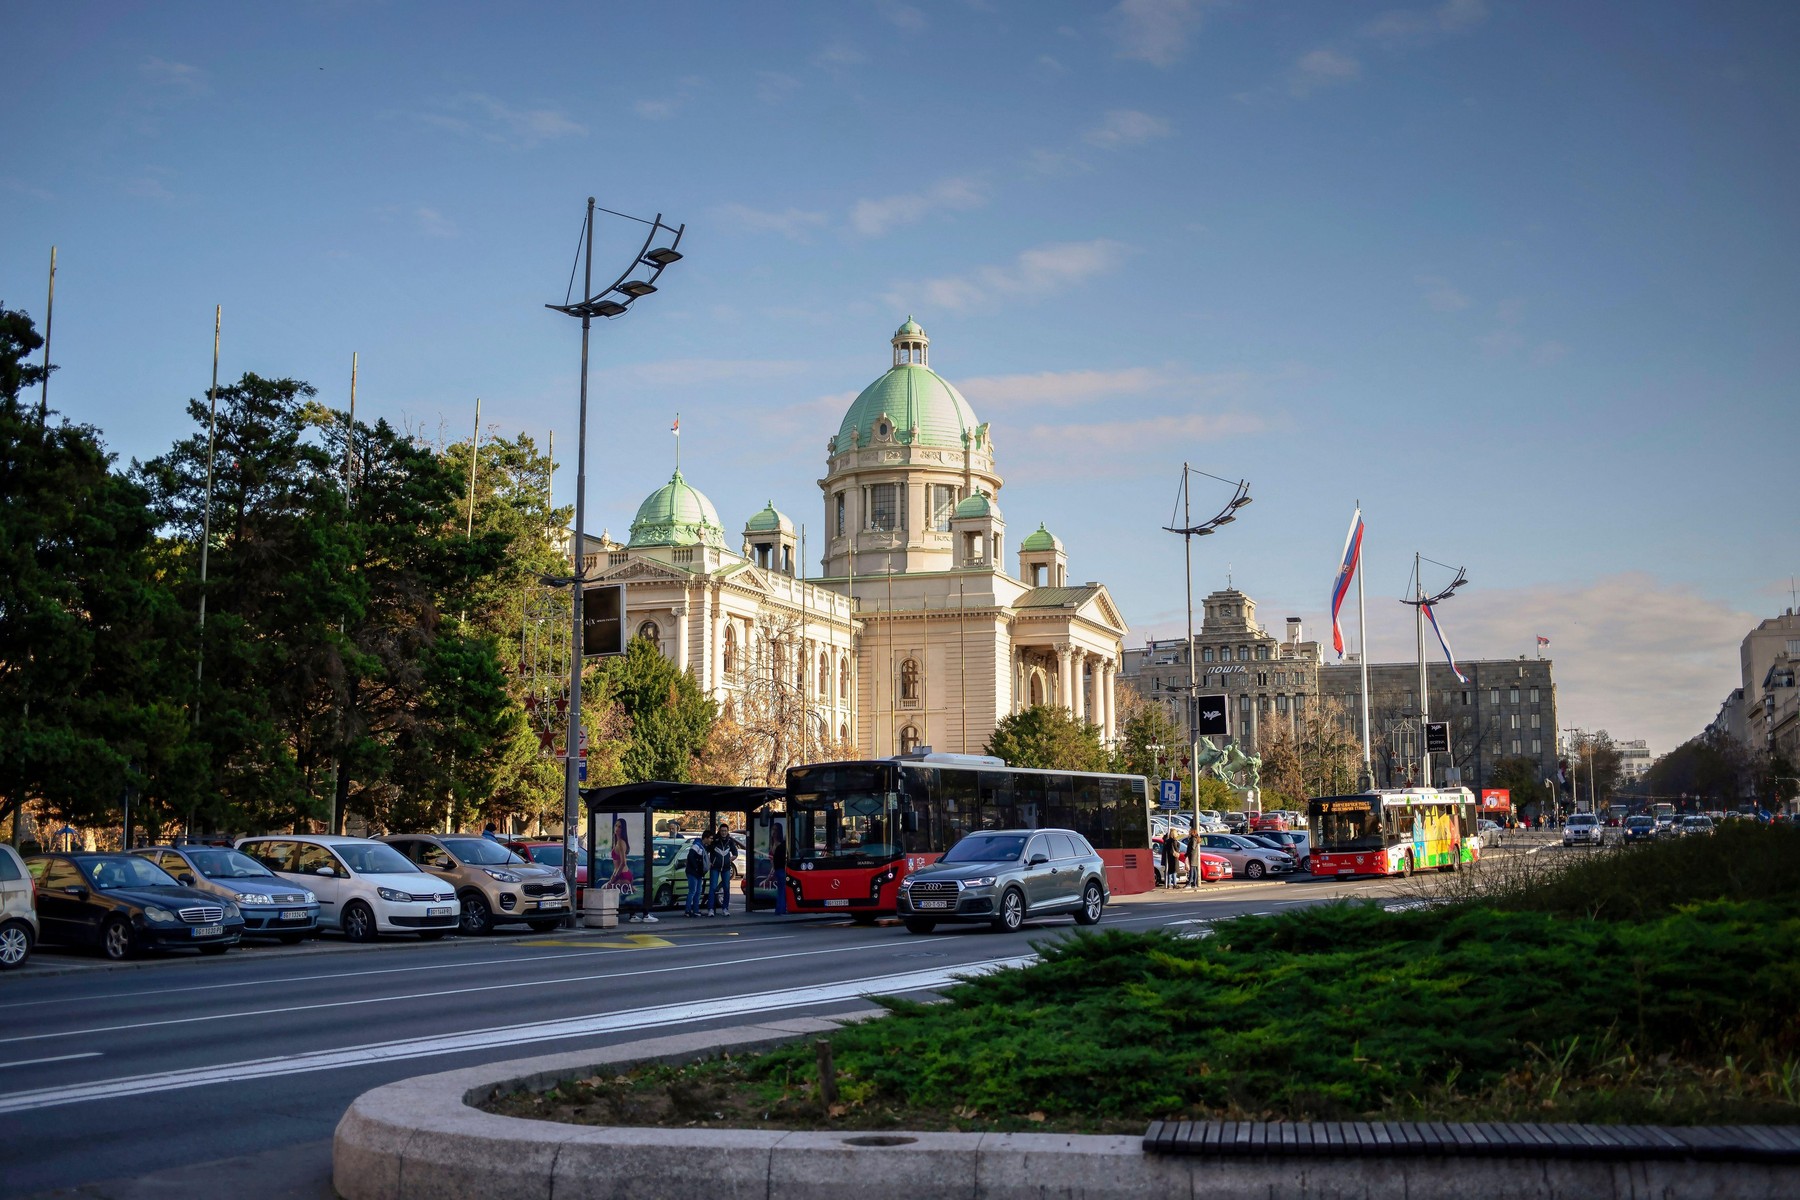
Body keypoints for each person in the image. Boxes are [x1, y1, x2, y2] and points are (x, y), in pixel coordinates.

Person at [709, 826, 735, 915]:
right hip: (715, 868)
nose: (723, 832)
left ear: (728, 831)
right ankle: (711, 909)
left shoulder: (730, 841)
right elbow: (707, 851)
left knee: (726, 888)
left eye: (725, 831)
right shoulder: (715, 840)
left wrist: (729, 860)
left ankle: (725, 908)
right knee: (712, 887)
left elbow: (735, 853)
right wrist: (709, 862)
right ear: (719, 831)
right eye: (722, 831)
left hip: (726, 868)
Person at [683, 833, 708, 918]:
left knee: (697, 892)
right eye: (710, 838)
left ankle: (694, 910)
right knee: (693, 891)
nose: (711, 840)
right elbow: (691, 856)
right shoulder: (697, 845)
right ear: (706, 838)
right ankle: (688, 910)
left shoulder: (701, 845)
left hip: (697, 872)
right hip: (693, 872)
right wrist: (696, 867)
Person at [770, 822, 788, 915]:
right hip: (779, 869)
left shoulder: (779, 845)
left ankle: (780, 909)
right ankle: (781, 909)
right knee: (782, 890)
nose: (773, 832)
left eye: (775, 830)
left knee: (781, 890)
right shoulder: (777, 844)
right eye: (773, 830)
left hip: (779, 869)